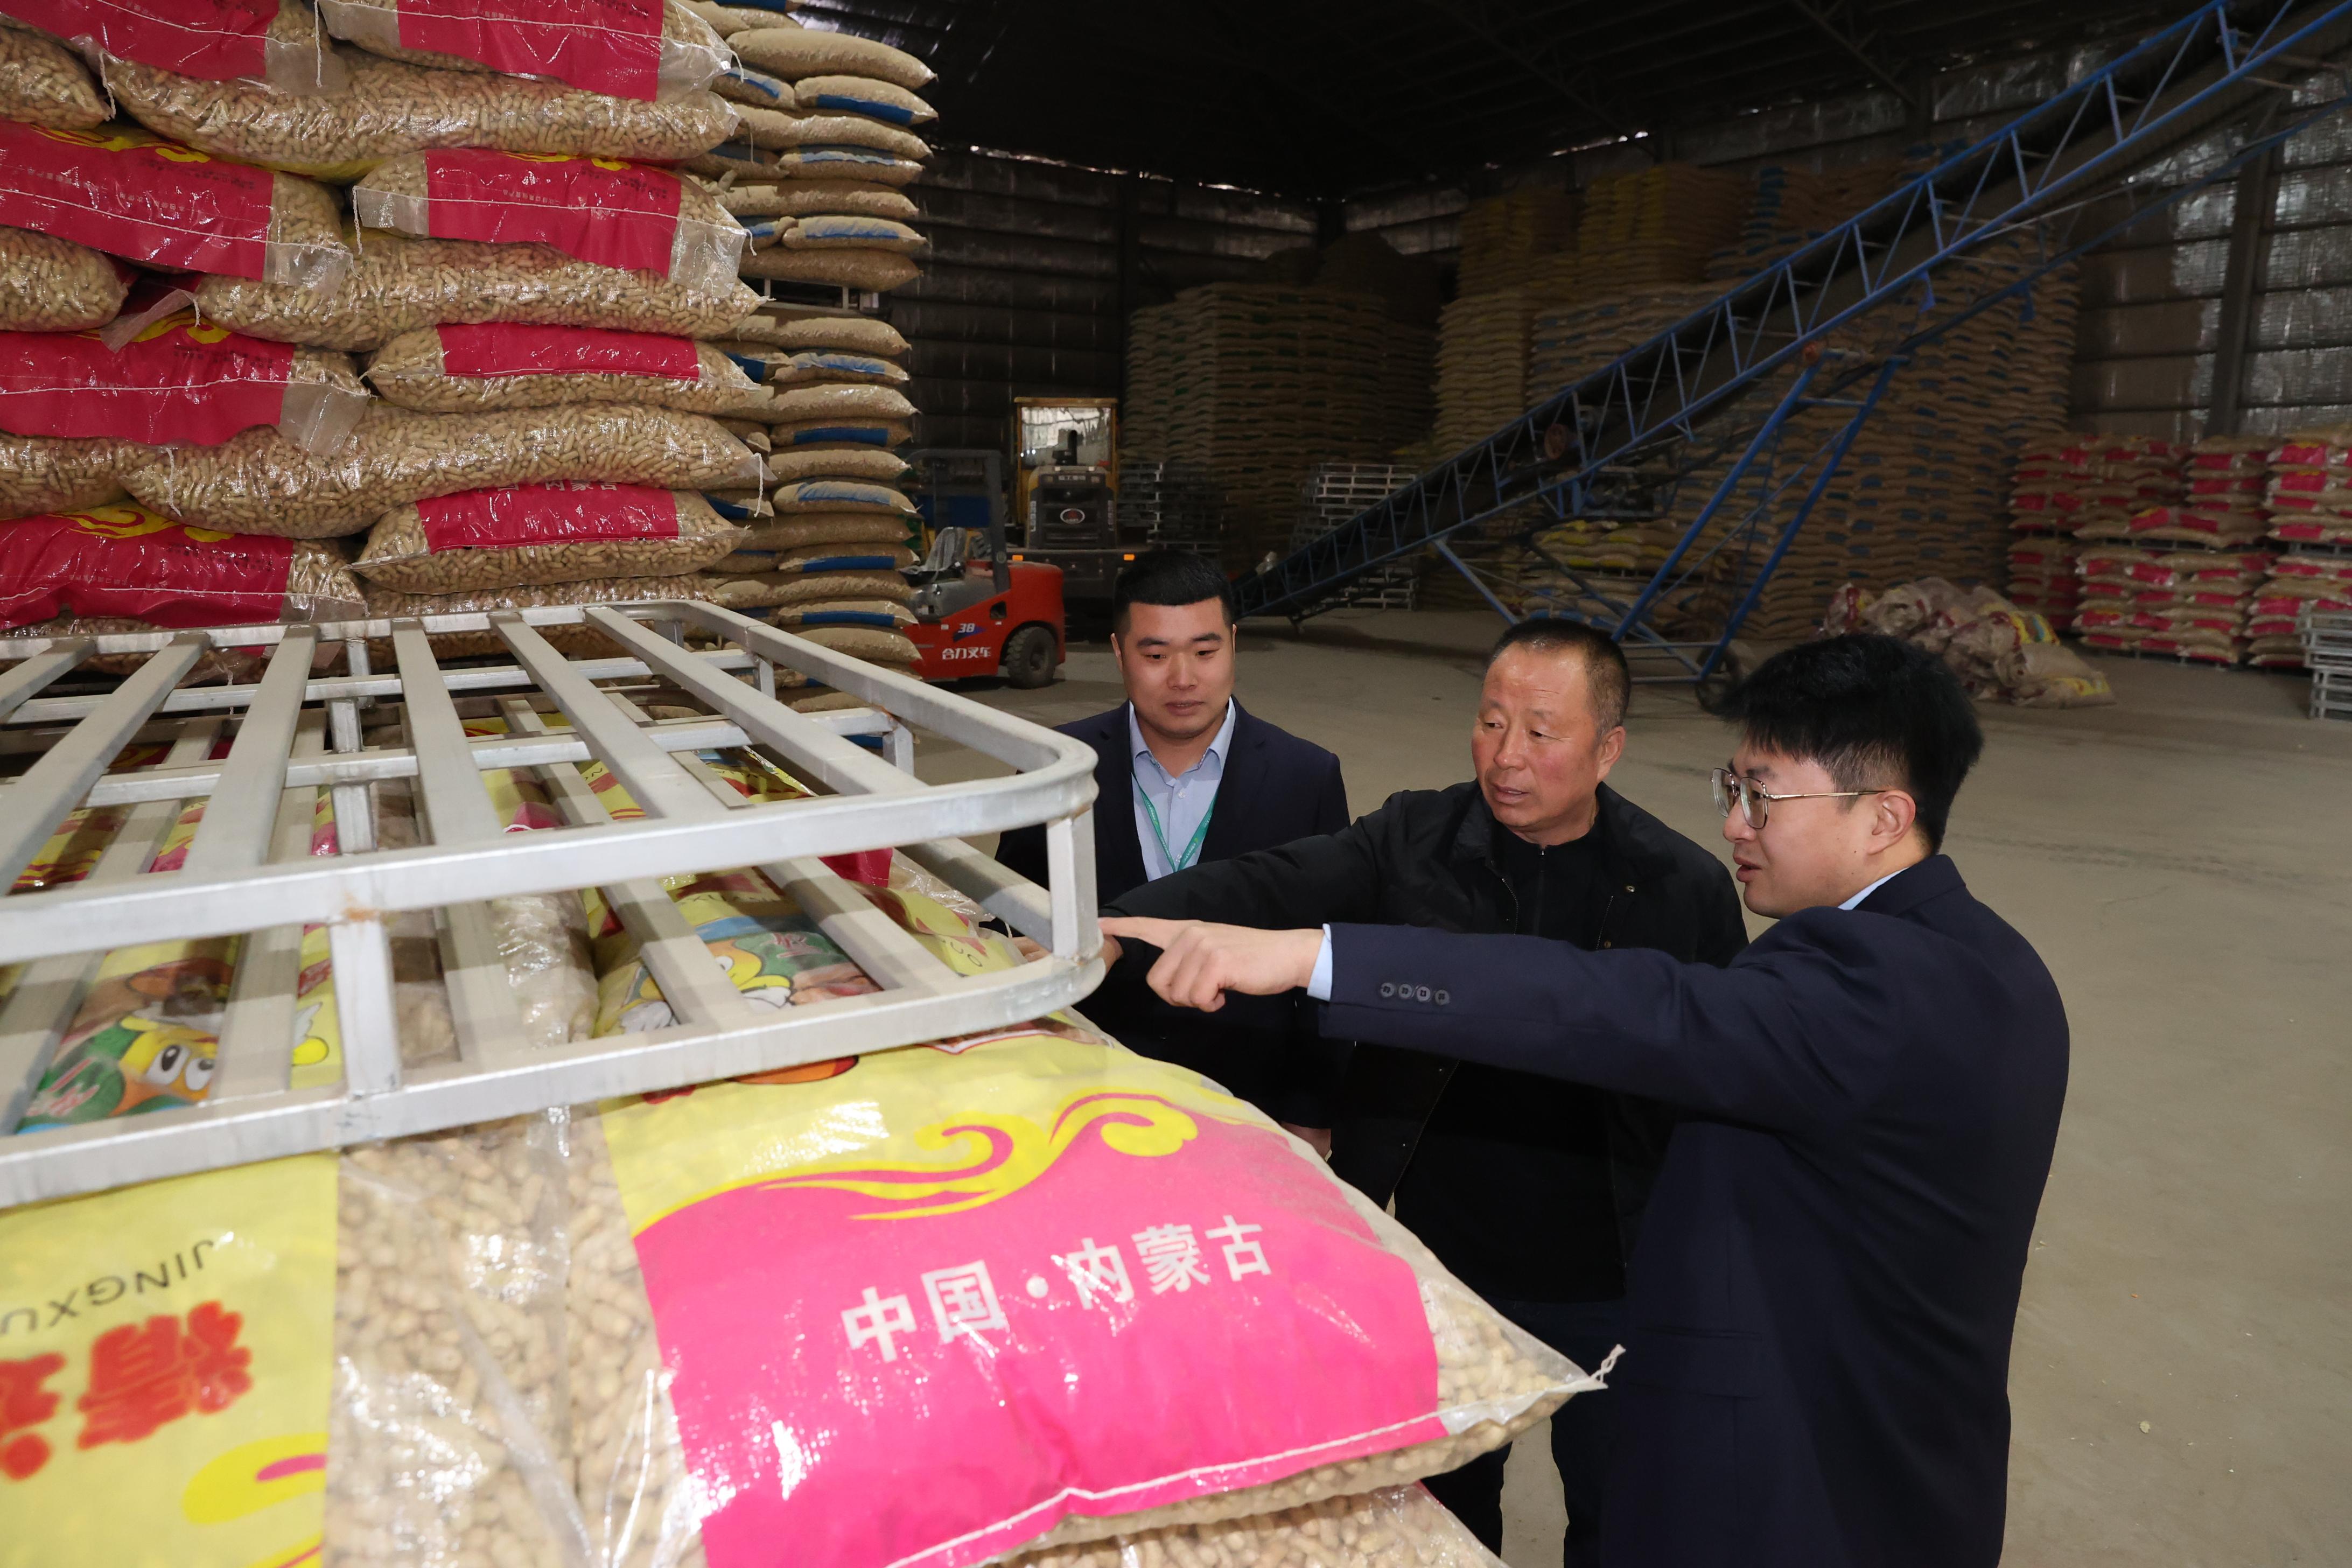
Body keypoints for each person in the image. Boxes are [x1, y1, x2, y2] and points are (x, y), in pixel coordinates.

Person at [1104, 634, 2070, 1568]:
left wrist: (1316, 958)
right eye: (1732, 789)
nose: (1735, 823)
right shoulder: (1995, 963)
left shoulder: (1868, 989)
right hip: (1892, 1443)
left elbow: (1617, 1006)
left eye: (1762, 795)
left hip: (1807, 1480)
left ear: (1883, 818)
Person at [1100, 619, 1745, 1568]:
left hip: (1613, 1276)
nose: (1505, 756)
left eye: (1539, 731)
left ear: (1607, 748)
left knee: (1621, 1508)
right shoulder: (1417, 837)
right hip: (1444, 1260)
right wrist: (1119, 924)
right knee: (1444, 1511)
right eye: (1490, 722)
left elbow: (1726, 1082)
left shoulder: (1680, 887)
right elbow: (1273, 882)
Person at [995, 549, 1348, 1129]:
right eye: (1155, 655)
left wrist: (1311, 1114)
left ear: (1233, 643)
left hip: (1245, 1098)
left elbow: (1329, 952)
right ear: (1119, 652)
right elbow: (1011, 920)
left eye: (1205, 652)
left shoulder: (1304, 777)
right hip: (1086, 1087)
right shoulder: (1056, 769)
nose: (1183, 678)